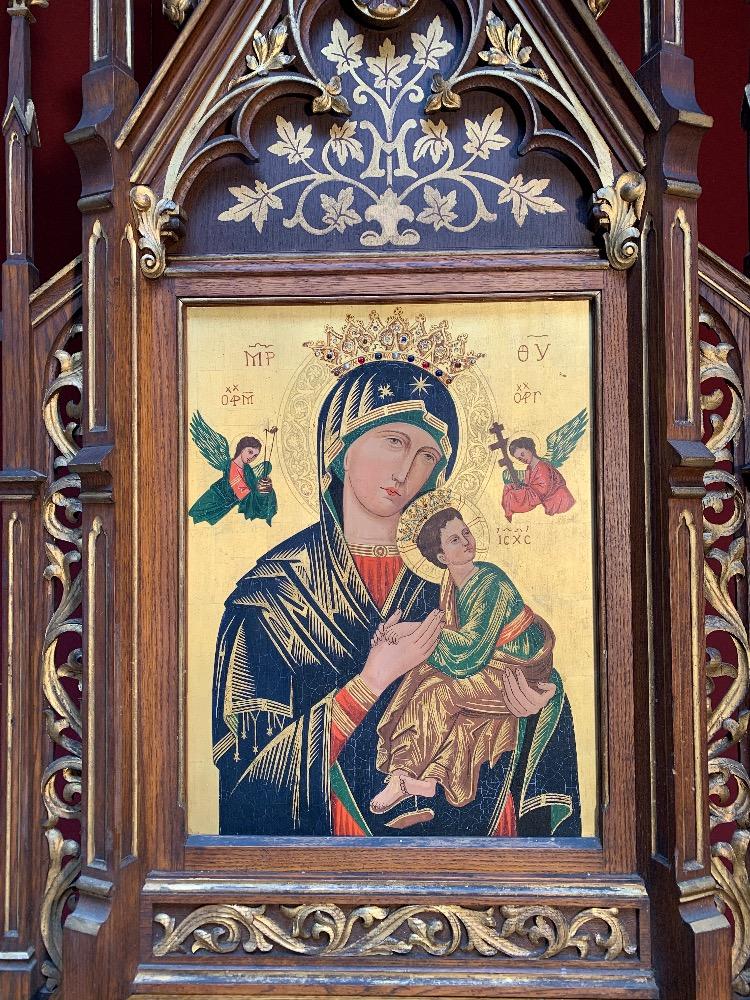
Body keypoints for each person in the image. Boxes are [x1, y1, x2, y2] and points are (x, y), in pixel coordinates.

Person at [212, 356, 580, 836]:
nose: (408, 469)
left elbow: (526, 667)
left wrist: (533, 704)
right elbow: (245, 781)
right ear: (340, 449)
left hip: (472, 859)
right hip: (326, 870)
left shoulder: (455, 580)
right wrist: (370, 682)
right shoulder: (270, 596)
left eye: (428, 455)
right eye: (394, 442)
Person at [370, 504, 555, 827]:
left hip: (518, 673)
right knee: (422, 677)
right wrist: (399, 638)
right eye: (455, 540)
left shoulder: (490, 582)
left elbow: (470, 650)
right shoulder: (451, 584)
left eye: (465, 532)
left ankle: (403, 773)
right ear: (441, 556)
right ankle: (420, 781)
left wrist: (410, 631)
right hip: (491, 667)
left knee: (439, 693)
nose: (467, 541)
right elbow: (454, 642)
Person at [189, 414, 277, 526]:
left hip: (225, 509)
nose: (252, 457)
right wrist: (260, 491)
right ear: (241, 449)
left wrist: (265, 490)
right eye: (250, 452)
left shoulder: (247, 470)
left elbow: (251, 490)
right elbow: (244, 494)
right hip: (212, 502)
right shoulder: (230, 466)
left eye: (255, 455)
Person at [501, 437, 575, 522]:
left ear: (529, 448)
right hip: (551, 505)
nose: (522, 459)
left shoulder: (542, 467)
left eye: (522, 454)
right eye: (519, 459)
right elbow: (528, 487)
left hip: (561, 503)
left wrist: (514, 496)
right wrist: (515, 487)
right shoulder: (529, 468)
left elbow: (538, 493)